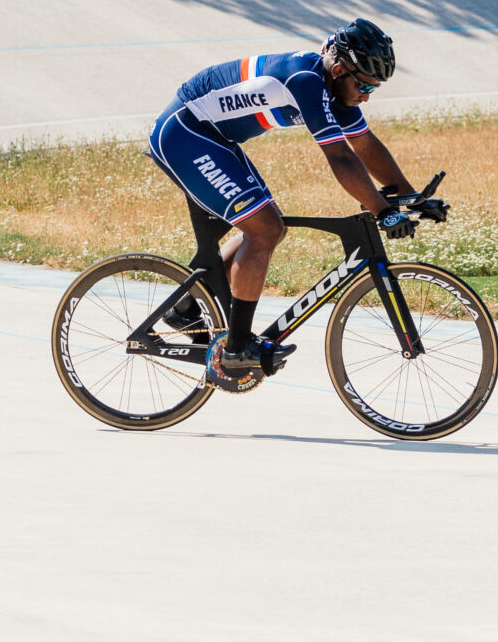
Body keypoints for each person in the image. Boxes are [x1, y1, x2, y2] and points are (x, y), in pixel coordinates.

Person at [148, 19, 439, 384]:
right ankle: (236, 350)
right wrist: (381, 210)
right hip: (185, 134)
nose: (365, 96)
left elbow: (364, 145)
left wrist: (409, 195)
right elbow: (341, 157)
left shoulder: (336, 89)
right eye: (364, 85)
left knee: (268, 227)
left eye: (373, 89)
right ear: (339, 68)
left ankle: (187, 309)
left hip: (213, 138)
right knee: (264, 228)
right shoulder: (306, 80)